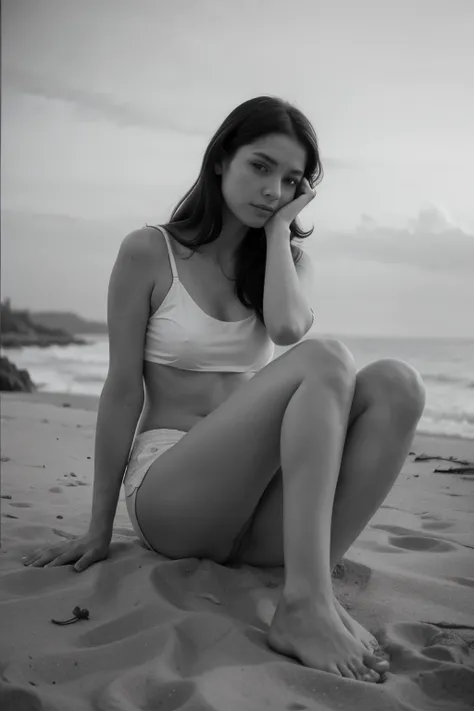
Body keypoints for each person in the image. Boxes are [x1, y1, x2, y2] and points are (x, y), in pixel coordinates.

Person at [22, 96, 426, 682]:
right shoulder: (149, 252)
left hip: (255, 514)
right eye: (260, 167)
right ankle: (305, 604)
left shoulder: (285, 262)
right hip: (173, 497)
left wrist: (281, 233)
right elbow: (120, 392)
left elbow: (287, 329)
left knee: (398, 384)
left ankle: (308, 579)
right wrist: (98, 527)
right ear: (221, 161)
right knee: (328, 360)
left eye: (290, 181)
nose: (272, 190)